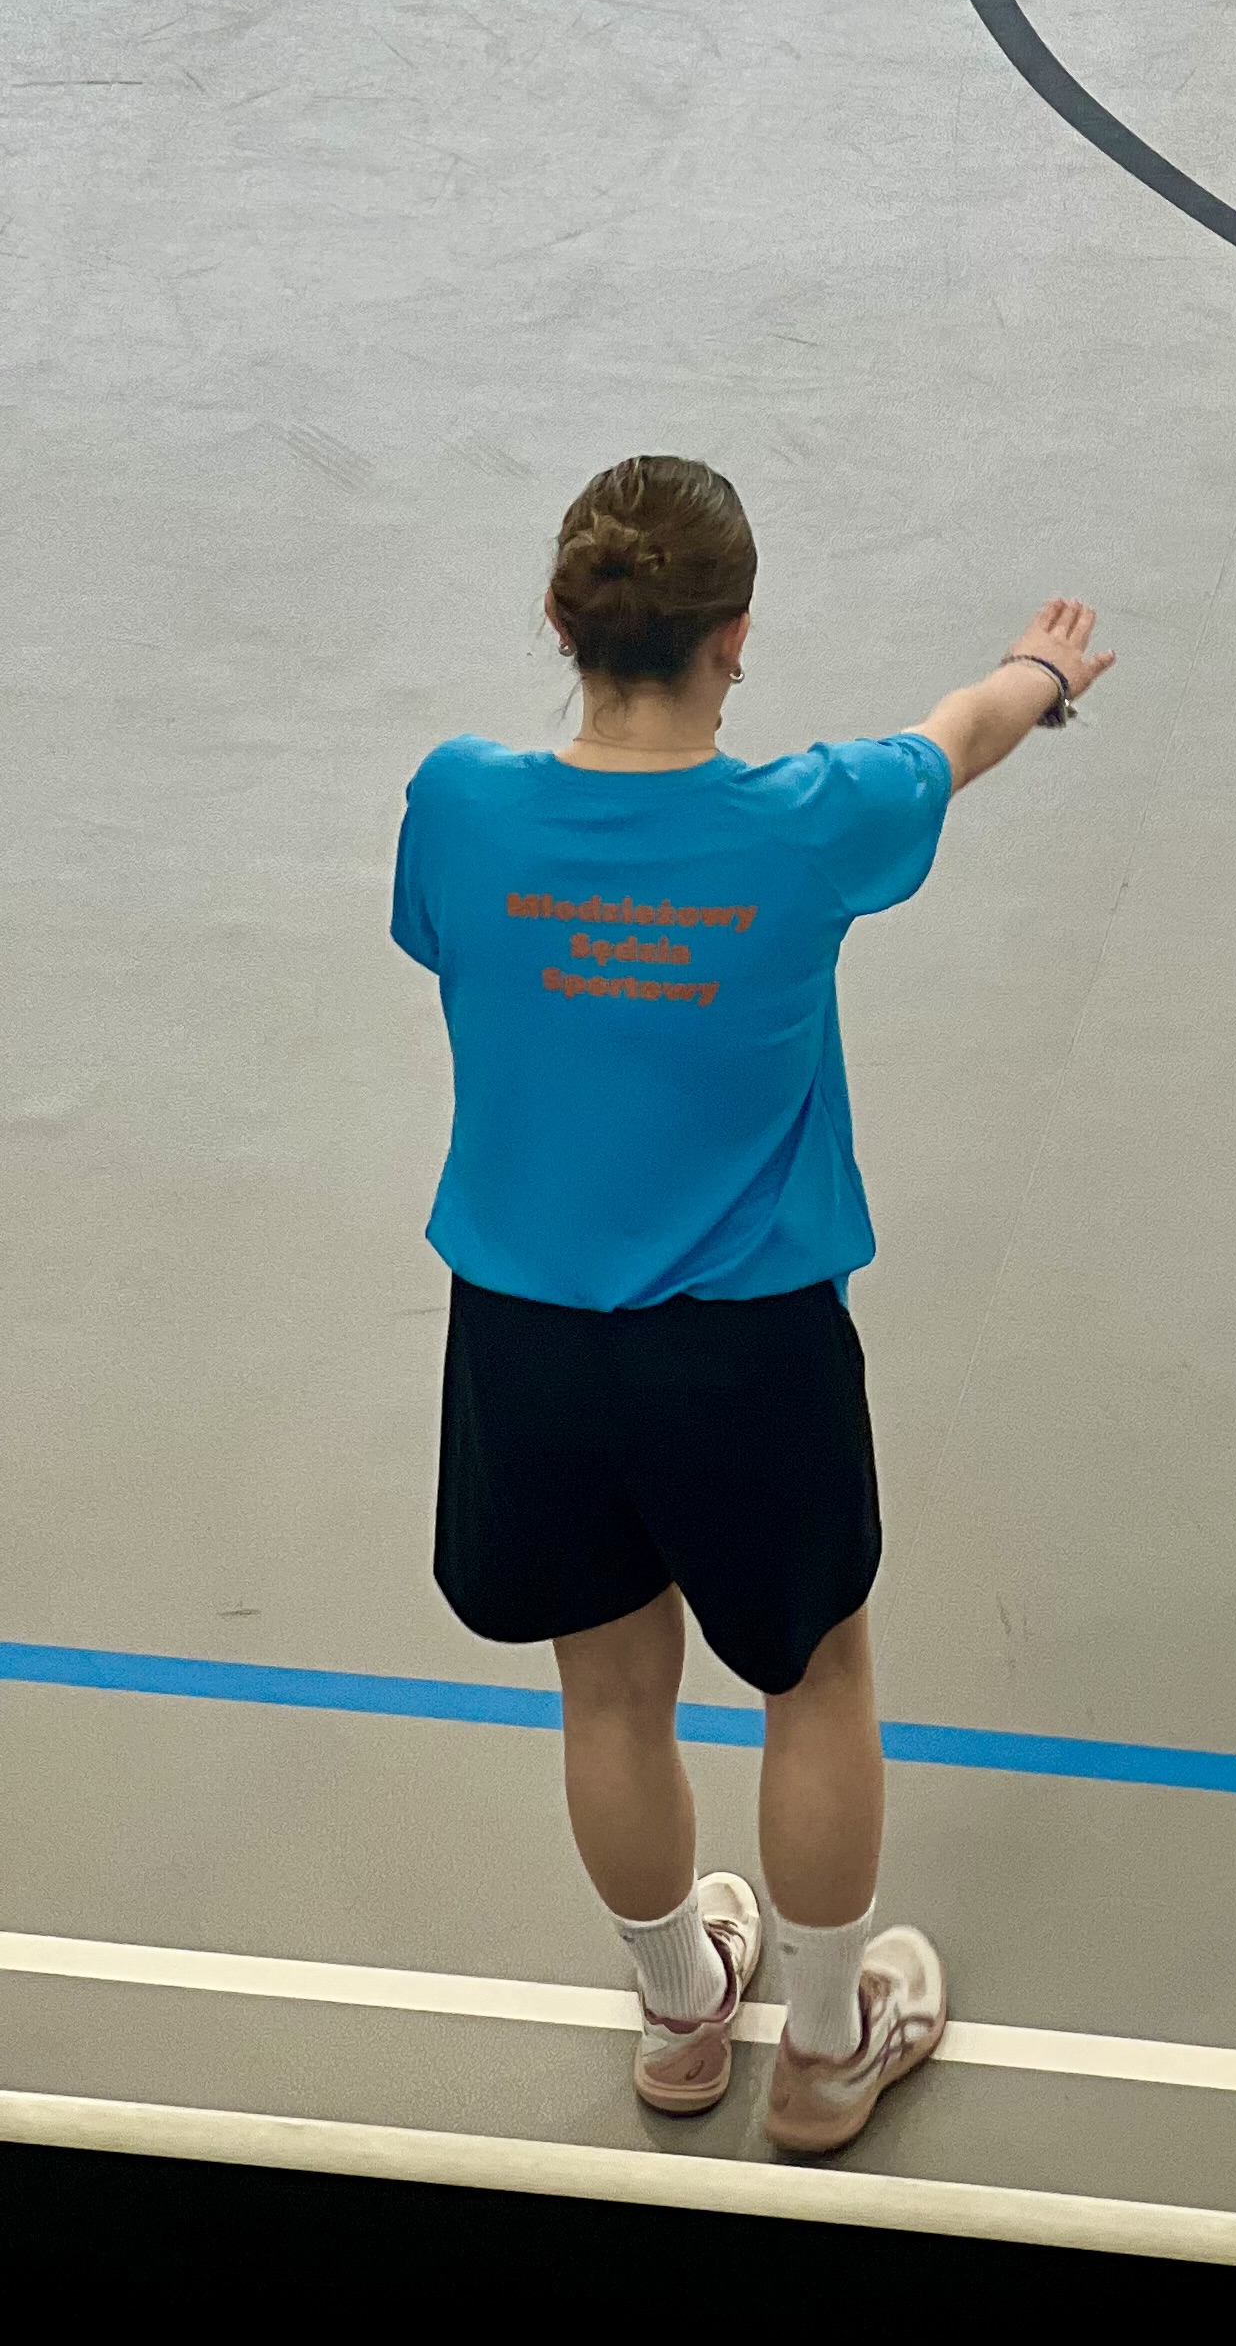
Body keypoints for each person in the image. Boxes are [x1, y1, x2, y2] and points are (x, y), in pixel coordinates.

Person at [389, 458, 1114, 2153]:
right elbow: (960, 738)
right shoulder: (809, 822)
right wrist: (1043, 671)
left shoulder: (459, 804)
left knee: (606, 1688)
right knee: (818, 1676)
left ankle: (677, 2016)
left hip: (530, 1342)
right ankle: (829, 2048)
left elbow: (451, 944)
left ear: (563, 620)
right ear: (734, 638)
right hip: (746, 1349)